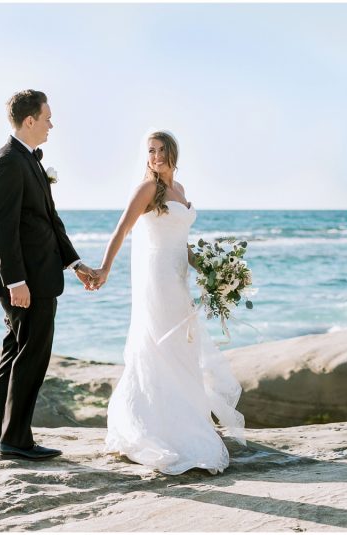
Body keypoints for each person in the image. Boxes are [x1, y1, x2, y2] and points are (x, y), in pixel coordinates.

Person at [93, 130, 246, 475]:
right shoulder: (147, 189)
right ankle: (155, 428)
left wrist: (213, 271)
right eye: (151, 150)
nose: (156, 156)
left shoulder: (181, 191)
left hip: (178, 278)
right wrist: (105, 268)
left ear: (173, 152)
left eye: (162, 150)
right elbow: (122, 229)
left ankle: (184, 420)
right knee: (158, 345)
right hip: (157, 279)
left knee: (181, 347)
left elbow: (182, 245)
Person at [0, 89, 97, 461]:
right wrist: (16, 282)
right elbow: (2, 228)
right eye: (47, 117)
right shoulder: (7, 163)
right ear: (29, 120)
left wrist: (75, 263)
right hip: (25, 281)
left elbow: (49, 221)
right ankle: (16, 441)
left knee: (15, 352)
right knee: (31, 356)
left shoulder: (28, 160)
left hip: (38, 276)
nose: (52, 124)